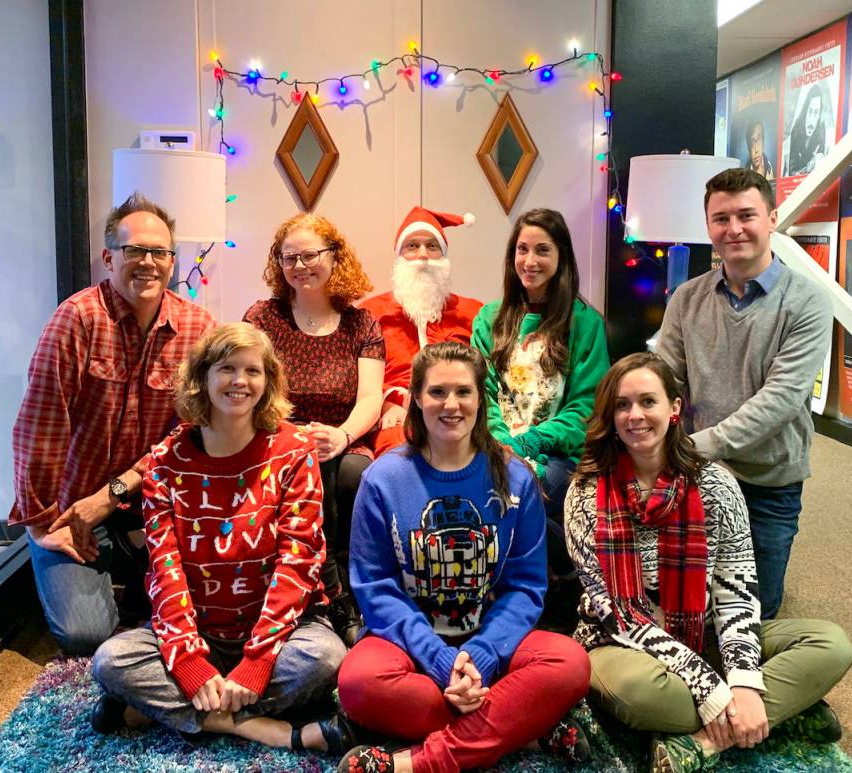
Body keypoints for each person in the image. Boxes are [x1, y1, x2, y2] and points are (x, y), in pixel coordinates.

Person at [564, 353, 852, 773]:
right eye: (622, 405)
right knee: (635, 692)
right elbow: (620, 616)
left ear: (674, 408)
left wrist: (741, 678)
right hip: (618, 643)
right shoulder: (585, 494)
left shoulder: (717, 483)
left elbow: (736, 594)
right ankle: (777, 714)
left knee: (830, 645)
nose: (635, 415)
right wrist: (714, 688)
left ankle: (705, 741)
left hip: (704, 633)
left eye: (648, 401)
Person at [90, 324, 355, 753]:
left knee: (326, 659)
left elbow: (300, 559)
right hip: (199, 632)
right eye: (227, 368)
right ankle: (255, 726)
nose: (240, 381)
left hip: (284, 633)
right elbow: (165, 569)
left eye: (253, 371)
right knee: (111, 661)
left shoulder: (294, 450)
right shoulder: (165, 462)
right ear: (202, 378)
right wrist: (189, 661)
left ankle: (161, 712)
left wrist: (259, 659)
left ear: (268, 381)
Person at [336, 342, 592, 773]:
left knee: (570, 664)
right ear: (417, 398)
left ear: (480, 399)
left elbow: (526, 586)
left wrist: (483, 655)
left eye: (463, 392)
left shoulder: (515, 477)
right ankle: (520, 729)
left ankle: (419, 762)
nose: (450, 404)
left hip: (494, 645)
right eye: (437, 392)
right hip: (409, 647)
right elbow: (375, 588)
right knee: (357, 684)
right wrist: (440, 661)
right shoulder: (383, 479)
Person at [9, 192, 215, 656]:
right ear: (108, 258)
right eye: (134, 251)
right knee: (86, 636)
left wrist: (114, 494)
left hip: (154, 503)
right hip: (73, 509)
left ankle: (138, 577)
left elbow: (188, 434)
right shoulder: (77, 319)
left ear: (172, 260)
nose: (148, 262)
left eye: (159, 252)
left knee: (215, 611)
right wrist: (42, 523)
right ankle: (98, 572)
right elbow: (38, 427)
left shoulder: (198, 328)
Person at [656, 168, 833, 620]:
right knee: (688, 602)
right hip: (700, 476)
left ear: (772, 218)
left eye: (746, 215)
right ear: (708, 227)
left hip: (768, 480)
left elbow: (781, 400)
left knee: (756, 612)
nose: (734, 229)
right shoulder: (685, 299)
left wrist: (692, 447)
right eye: (721, 219)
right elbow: (666, 379)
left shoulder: (808, 302)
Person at [244, 213, 384, 645]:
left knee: (355, 474)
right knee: (303, 464)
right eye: (289, 257)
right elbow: (246, 386)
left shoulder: (362, 323)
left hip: (343, 436)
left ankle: (335, 583)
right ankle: (329, 589)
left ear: (333, 257)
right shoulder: (263, 318)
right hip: (274, 435)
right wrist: (291, 434)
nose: (299, 266)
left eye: (309, 255)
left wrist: (340, 436)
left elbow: (370, 400)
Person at [471, 208, 610, 629]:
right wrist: (502, 445)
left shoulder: (585, 323)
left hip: (559, 456)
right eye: (522, 250)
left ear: (562, 258)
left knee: (519, 493)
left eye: (542, 251)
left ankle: (532, 602)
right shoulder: (489, 318)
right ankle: (558, 581)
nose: (530, 261)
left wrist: (527, 446)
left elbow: (586, 408)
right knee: (493, 491)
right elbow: (481, 395)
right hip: (494, 448)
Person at [360, 206, 482, 457]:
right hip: (396, 416)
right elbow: (357, 378)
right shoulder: (371, 313)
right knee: (397, 449)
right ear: (399, 256)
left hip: (457, 410)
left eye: (432, 246)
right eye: (412, 246)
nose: (423, 256)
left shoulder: (474, 313)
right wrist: (386, 407)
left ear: (444, 257)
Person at [783, 84, 828, 176]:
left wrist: (817, 159)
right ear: (805, 111)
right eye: (810, 111)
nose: (812, 119)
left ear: (819, 115)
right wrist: (802, 172)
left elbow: (821, 152)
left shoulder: (821, 128)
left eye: (816, 112)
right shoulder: (796, 131)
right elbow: (791, 171)